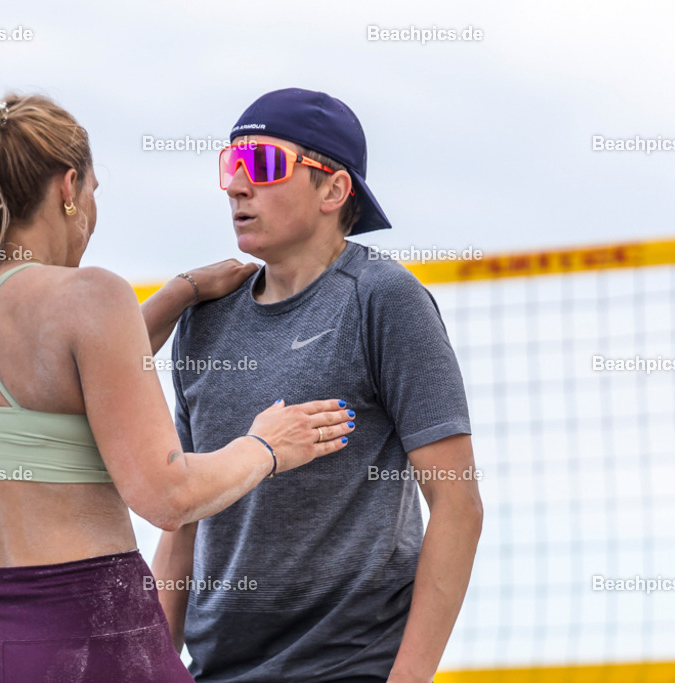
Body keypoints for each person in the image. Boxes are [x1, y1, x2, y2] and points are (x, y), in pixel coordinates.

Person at [0, 93, 355, 682]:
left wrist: (178, 293)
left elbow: (54, 389)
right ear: (68, 188)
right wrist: (267, 445)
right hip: (84, 626)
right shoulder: (89, 295)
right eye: (92, 191)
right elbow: (169, 496)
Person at [152, 88, 484, 683]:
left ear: (334, 189)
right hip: (214, 671)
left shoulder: (384, 299)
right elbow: (183, 519)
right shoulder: (204, 320)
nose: (235, 185)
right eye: (231, 164)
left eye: (263, 164)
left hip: (348, 665)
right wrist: (146, 666)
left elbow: (458, 505)